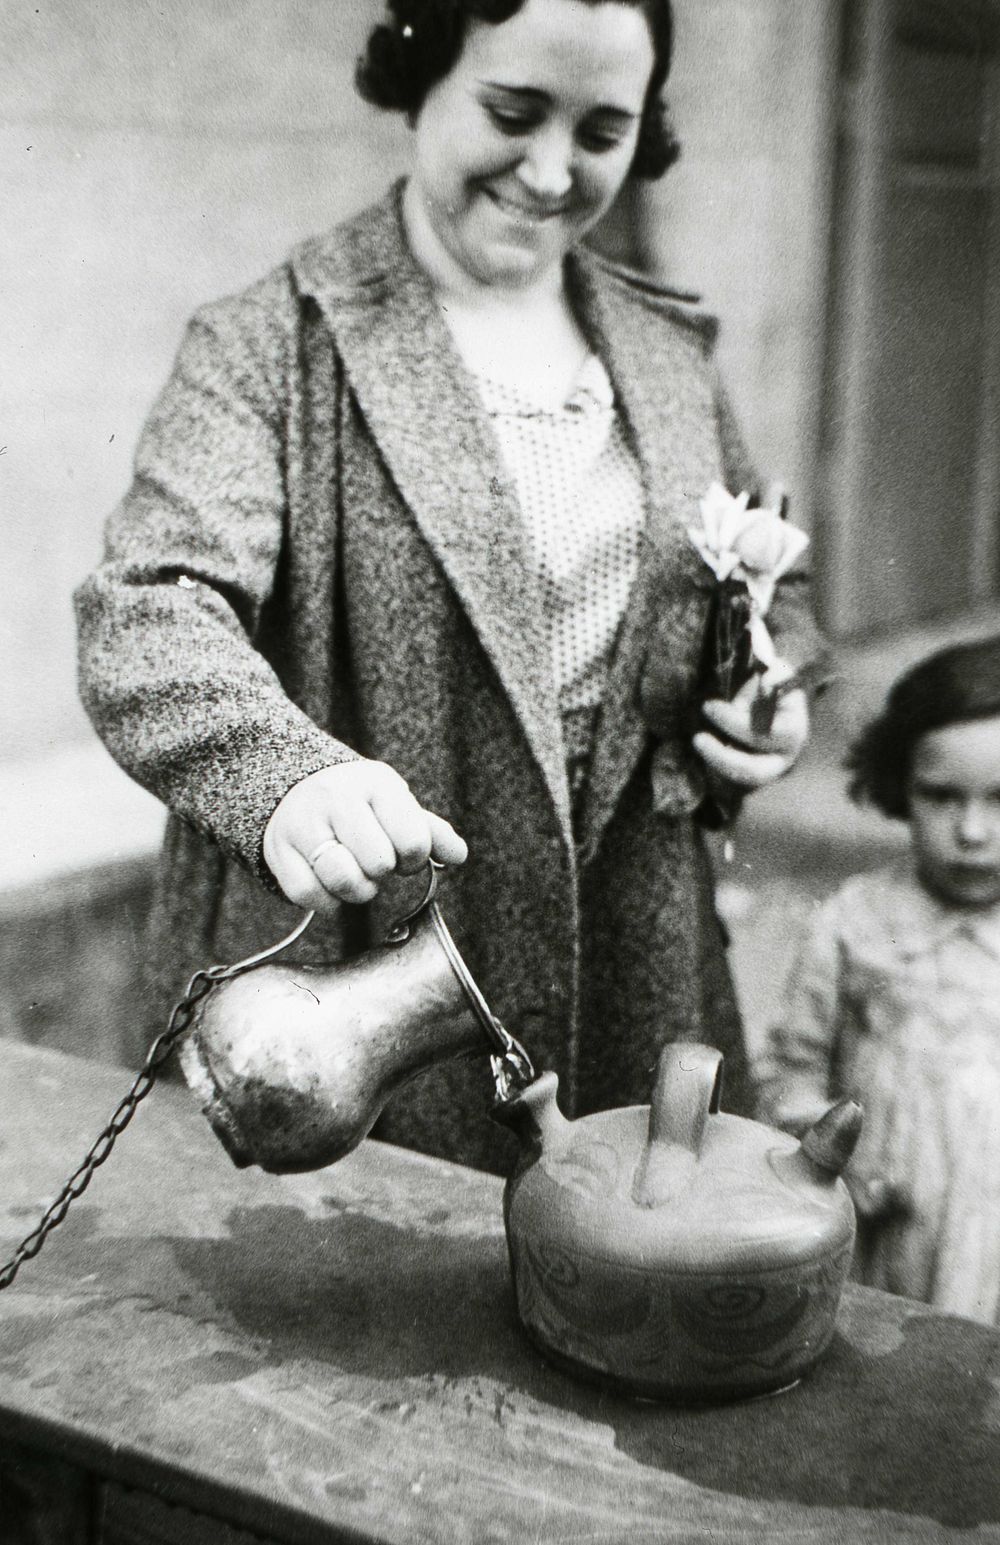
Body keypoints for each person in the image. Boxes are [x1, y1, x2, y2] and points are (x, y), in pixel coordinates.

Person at [75, 0, 819, 1173]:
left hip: (638, 958)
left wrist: (768, 700)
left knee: (626, 1269)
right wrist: (288, 780)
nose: (548, 171)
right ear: (417, 77)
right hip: (366, 968)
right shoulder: (270, 344)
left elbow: (765, 584)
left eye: (601, 131)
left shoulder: (668, 353)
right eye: (513, 113)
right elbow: (150, 609)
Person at [758, 635, 1000, 1324]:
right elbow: (787, 1073)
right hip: (889, 1232)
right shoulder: (854, 923)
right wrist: (832, 1155)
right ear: (901, 787)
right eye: (942, 797)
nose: (973, 831)